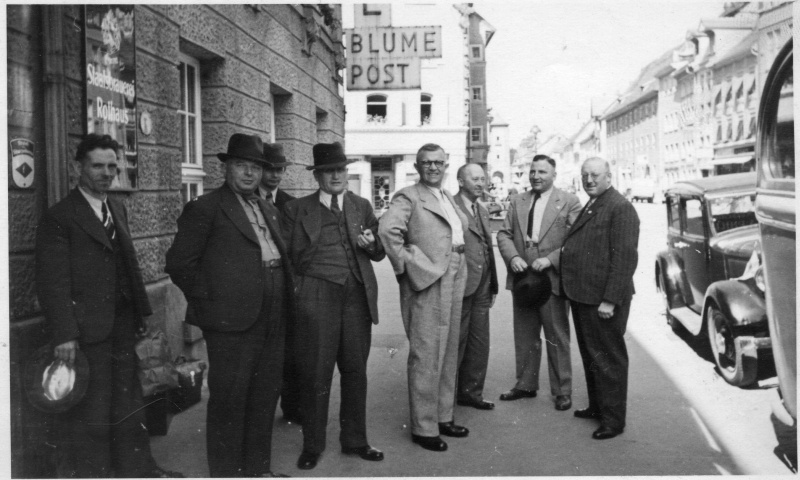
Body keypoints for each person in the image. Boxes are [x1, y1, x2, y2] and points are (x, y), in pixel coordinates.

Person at [35, 134, 183, 478]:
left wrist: (144, 313)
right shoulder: (61, 217)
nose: (106, 173)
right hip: (87, 332)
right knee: (94, 411)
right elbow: (52, 282)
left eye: (112, 166)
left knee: (129, 404)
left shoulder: (116, 207)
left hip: (124, 325)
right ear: (78, 168)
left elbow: (130, 262)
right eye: (97, 166)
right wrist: (65, 335)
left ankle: (136, 470)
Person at [165, 133, 291, 477]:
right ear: (226, 168)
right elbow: (179, 263)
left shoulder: (268, 207)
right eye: (241, 166)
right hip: (231, 322)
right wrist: (213, 304)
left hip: (273, 312)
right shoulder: (205, 208)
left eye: (255, 167)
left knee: (265, 395)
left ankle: (258, 470)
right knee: (230, 399)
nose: (249, 174)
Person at [282, 142, 385, 470]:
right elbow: (287, 258)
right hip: (316, 295)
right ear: (318, 176)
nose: (337, 176)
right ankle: (312, 445)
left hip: (356, 295)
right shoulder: (297, 210)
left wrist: (372, 245)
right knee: (316, 374)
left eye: (341, 170)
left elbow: (379, 252)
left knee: (355, 371)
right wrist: (302, 289)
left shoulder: (362, 205)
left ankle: (355, 440)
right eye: (329, 171)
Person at [378, 143, 470, 452]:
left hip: (456, 271)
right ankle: (424, 427)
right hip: (429, 276)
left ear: (447, 165)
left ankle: (442, 416)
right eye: (426, 163)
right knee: (427, 350)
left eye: (438, 163)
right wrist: (409, 266)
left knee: (448, 349)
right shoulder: (409, 195)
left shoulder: (445, 196)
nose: (433, 167)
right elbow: (388, 231)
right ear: (417, 167)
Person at [561, 157, 640, 440]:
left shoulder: (620, 207)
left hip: (602, 300)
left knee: (608, 359)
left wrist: (610, 300)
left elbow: (625, 258)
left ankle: (613, 420)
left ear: (609, 176)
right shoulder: (596, 203)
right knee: (593, 357)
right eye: (585, 175)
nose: (589, 180)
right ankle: (598, 407)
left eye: (595, 175)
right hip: (585, 296)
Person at [496, 155, 582, 411]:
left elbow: (577, 239)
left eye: (542, 172)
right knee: (525, 334)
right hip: (524, 277)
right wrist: (512, 257)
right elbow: (504, 233)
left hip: (551, 277)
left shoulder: (568, 201)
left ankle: (562, 390)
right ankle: (525, 384)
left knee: (556, 335)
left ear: (554, 174)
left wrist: (553, 259)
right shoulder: (517, 200)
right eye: (533, 171)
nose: (536, 176)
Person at [258, 142, 302, 424]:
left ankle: (292, 408)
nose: (275, 176)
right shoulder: (248, 200)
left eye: (280, 170)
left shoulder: (290, 204)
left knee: (290, 353)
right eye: (270, 169)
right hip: (258, 290)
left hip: (287, 290)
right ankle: (261, 409)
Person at [452, 164, 498, 410]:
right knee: (455, 343)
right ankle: (445, 398)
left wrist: (493, 285)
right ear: (460, 181)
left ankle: (471, 393)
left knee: (479, 342)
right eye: (475, 179)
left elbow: (487, 248)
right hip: (461, 283)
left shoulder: (481, 209)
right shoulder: (450, 206)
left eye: (483, 179)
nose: (481, 183)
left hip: (482, 284)